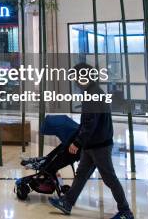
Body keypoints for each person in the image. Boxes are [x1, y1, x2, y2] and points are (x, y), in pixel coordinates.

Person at [49, 63, 134, 219]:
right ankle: (67, 202)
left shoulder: (93, 94)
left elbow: (90, 123)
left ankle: (125, 211)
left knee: (109, 178)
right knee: (81, 174)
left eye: (75, 77)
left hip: (99, 146)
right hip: (92, 144)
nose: (74, 81)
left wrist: (77, 142)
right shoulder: (91, 92)